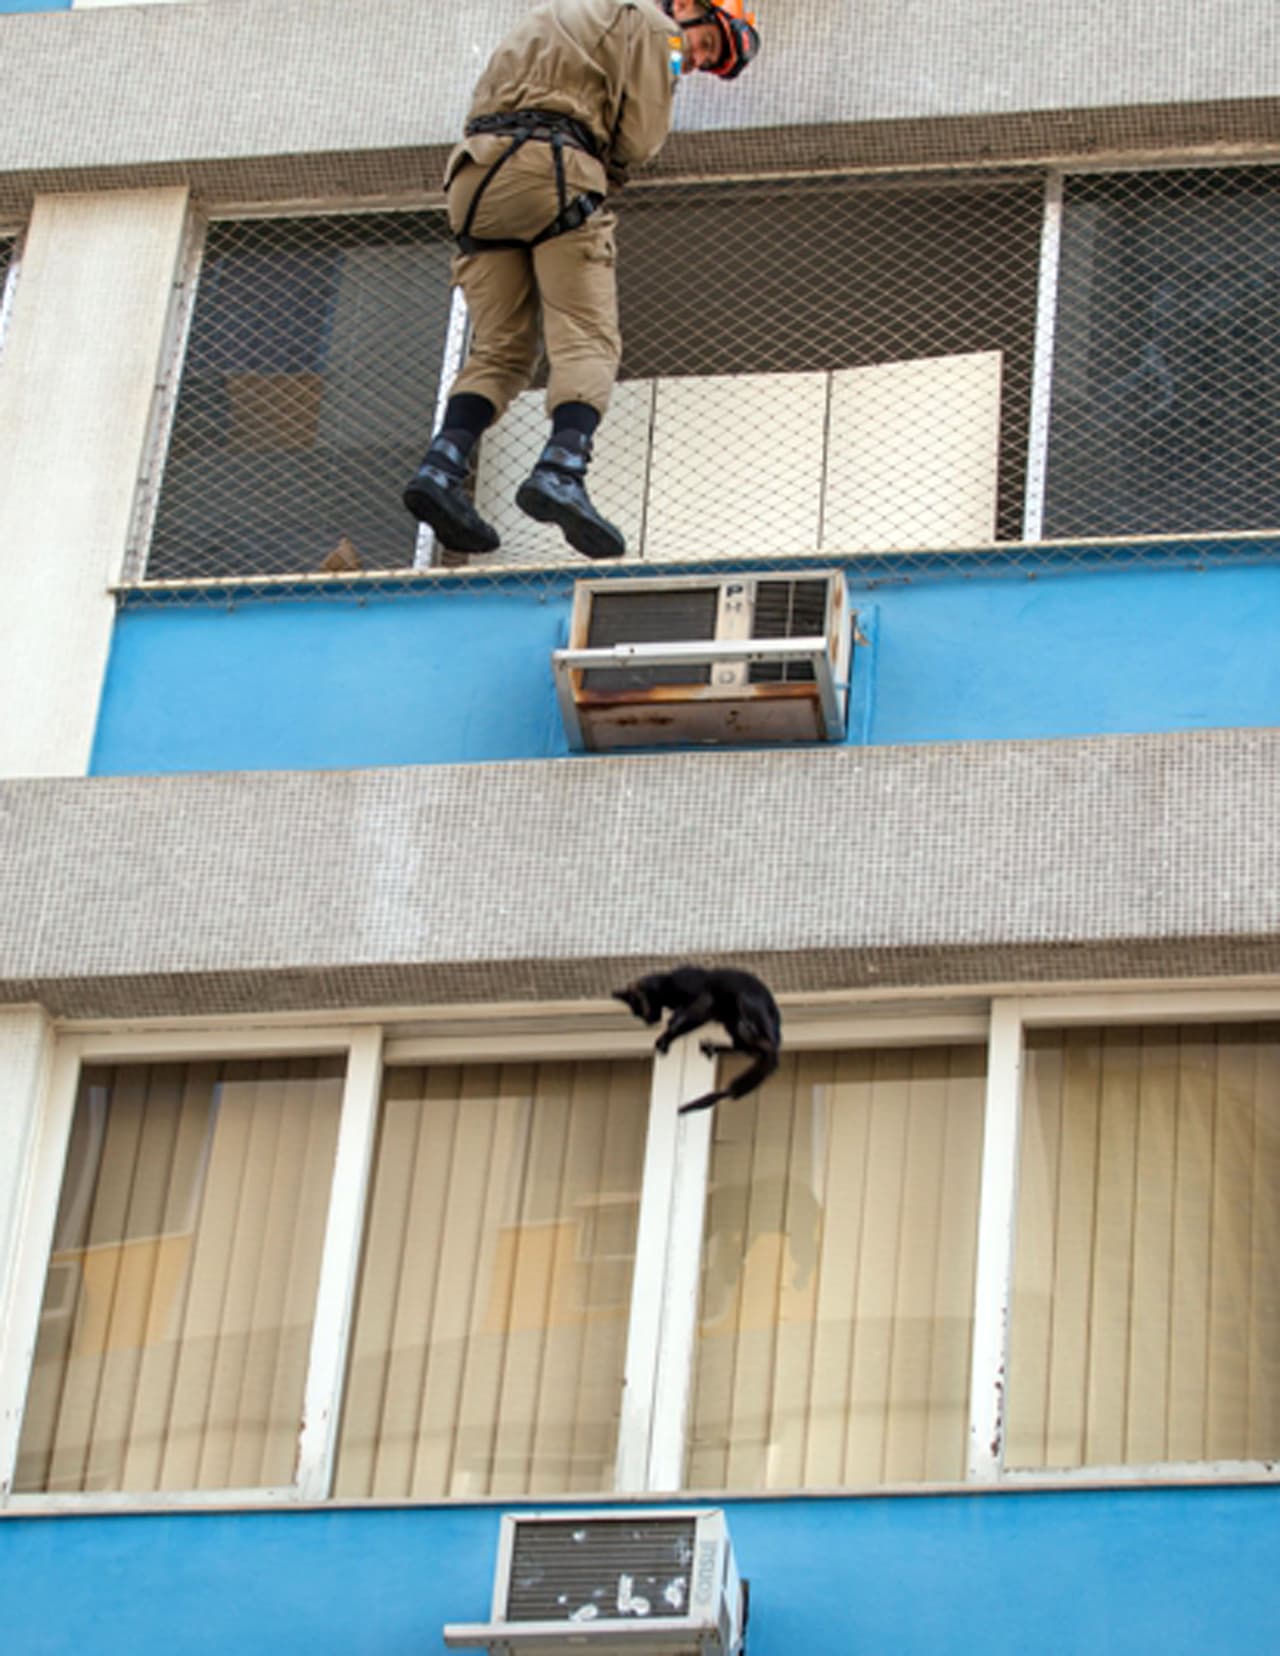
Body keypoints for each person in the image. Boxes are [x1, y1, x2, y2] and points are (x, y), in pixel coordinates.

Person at [403, 0, 760, 561]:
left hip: (473, 179)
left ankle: (442, 465)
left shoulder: (553, 18)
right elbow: (640, 136)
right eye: (707, 47)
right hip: (553, 170)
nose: (694, 63)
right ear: (687, 6)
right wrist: (605, 173)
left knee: (500, 349)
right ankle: (562, 467)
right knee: (588, 338)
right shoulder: (653, 25)